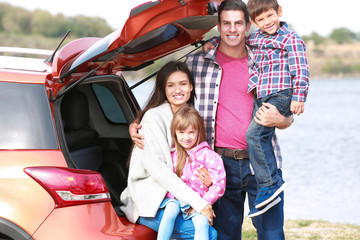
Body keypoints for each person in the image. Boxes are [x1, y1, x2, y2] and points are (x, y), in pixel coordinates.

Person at [130, 0, 293, 239]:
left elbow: (286, 113)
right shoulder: (197, 63)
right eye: (226, 23)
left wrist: (281, 119)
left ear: (248, 26)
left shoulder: (266, 60)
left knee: (272, 234)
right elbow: (177, 98)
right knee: (225, 235)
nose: (232, 29)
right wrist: (138, 123)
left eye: (238, 23)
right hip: (219, 165)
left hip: (262, 164)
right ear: (218, 25)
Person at [120, 61, 218, 240]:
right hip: (150, 198)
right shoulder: (153, 117)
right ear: (163, 89)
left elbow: (195, 161)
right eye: (170, 85)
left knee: (206, 227)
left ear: (191, 87)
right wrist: (198, 203)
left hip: (176, 196)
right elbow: (159, 170)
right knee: (209, 234)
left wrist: (207, 180)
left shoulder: (190, 117)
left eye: (182, 84)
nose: (177, 90)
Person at [244, 0, 310, 217]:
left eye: (270, 16)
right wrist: (213, 42)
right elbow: (237, 41)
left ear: (279, 12)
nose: (266, 22)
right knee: (260, 138)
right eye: (260, 20)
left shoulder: (291, 39)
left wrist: (299, 98)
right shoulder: (255, 38)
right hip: (263, 95)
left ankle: (269, 184)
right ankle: (269, 186)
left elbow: (301, 69)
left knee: (254, 135)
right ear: (253, 22)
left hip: (282, 94)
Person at [157, 105, 226, 240]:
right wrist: (173, 197)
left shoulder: (208, 156)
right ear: (174, 133)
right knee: (170, 210)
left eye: (191, 132)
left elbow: (219, 185)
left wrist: (202, 203)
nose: (186, 137)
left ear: (199, 132)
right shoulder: (172, 155)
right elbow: (167, 180)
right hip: (175, 200)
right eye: (181, 132)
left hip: (198, 201)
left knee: (201, 222)